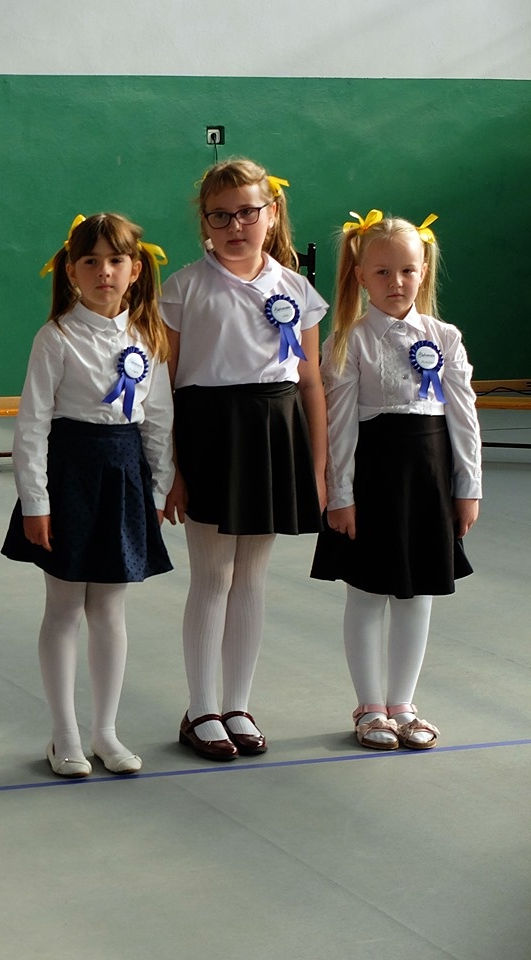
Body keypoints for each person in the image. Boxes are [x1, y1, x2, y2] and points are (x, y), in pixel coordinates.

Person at [161, 159, 328, 761]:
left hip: (273, 434)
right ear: (204, 222)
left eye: (247, 213)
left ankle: (237, 704)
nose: (236, 226)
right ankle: (202, 708)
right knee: (213, 577)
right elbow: (165, 384)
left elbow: (310, 382)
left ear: (271, 214)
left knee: (252, 577)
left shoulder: (297, 290)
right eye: (220, 216)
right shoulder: (184, 288)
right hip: (210, 435)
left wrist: (317, 467)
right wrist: (172, 468)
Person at [2, 213, 174, 778]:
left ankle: (105, 731)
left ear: (135, 270)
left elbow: (157, 420)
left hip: (124, 478)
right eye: (91, 261)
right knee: (64, 606)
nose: (105, 272)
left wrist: (158, 489)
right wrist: (36, 502)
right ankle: (65, 735)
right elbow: (32, 425)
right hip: (68, 476)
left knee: (109, 608)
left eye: (116, 261)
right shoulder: (55, 338)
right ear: (71, 272)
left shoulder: (148, 338)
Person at [310, 211, 479, 750]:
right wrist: (341, 495)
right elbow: (339, 427)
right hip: (373, 482)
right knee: (367, 593)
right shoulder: (349, 341)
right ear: (361, 276)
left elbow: (464, 418)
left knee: (417, 594)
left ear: (423, 271)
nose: (396, 282)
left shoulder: (446, 337)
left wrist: (467, 487)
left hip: (428, 483)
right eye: (382, 272)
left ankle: (403, 704)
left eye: (407, 270)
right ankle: (370, 707)